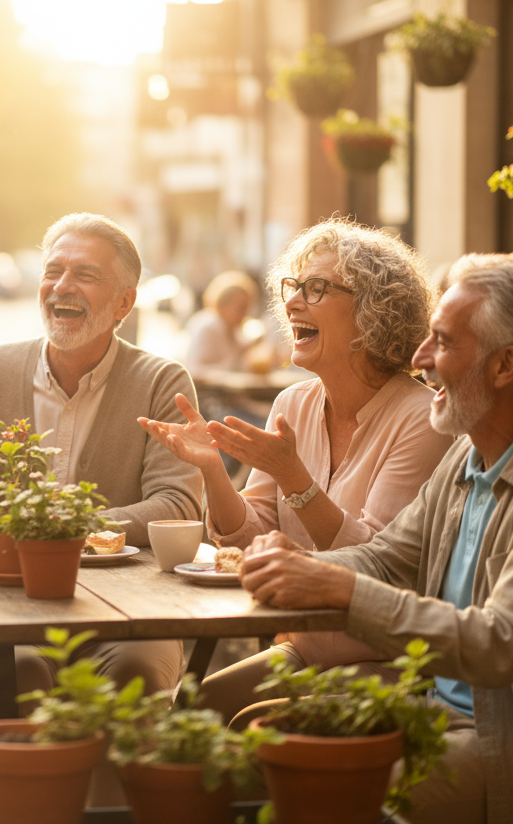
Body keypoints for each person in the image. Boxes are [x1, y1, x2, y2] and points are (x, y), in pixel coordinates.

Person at [240, 254, 513, 824]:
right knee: (251, 740)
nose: (420, 360)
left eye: (443, 343)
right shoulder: (470, 457)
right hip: (432, 707)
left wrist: (336, 587)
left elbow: (498, 644)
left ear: (505, 366)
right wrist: (294, 563)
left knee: (320, 790)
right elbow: (388, 557)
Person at [140, 219, 454, 721]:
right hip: (307, 651)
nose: (291, 303)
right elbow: (251, 541)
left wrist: (295, 480)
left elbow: (378, 565)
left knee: (240, 723)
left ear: (374, 312)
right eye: (293, 286)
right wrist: (212, 473)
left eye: (317, 288)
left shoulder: (422, 418)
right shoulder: (294, 402)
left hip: (388, 663)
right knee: (195, 711)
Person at [0, 212, 203, 803]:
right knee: (25, 677)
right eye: (53, 271)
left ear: (123, 303)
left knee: (132, 679)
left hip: (130, 614)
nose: (61, 287)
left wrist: (56, 527)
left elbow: (178, 505)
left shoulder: (161, 380)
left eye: (84, 275)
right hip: (3, 609)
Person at [185, 270, 274, 474]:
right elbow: (193, 369)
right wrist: (225, 375)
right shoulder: (209, 326)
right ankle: (235, 482)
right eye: (241, 308)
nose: (245, 314)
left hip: (231, 400)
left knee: (271, 419)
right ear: (223, 304)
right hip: (212, 404)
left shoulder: (230, 329)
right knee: (264, 427)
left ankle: (241, 482)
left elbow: (238, 358)